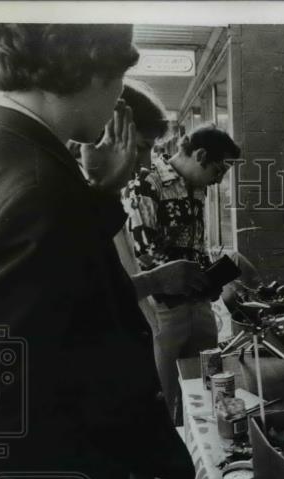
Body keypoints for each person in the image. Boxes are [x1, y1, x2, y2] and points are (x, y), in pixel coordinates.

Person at [0, 23, 195, 479]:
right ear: (91, 70)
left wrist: (100, 196)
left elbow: (56, 285)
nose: (119, 97)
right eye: (120, 76)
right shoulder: (42, 183)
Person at [123, 122, 241, 426]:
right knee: (164, 393)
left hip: (199, 305)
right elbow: (145, 249)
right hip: (164, 309)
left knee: (208, 385)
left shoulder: (197, 188)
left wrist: (209, 276)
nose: (218, 181)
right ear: (200, 155)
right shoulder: (147, 182)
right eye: (218, 171)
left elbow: (196, 243)